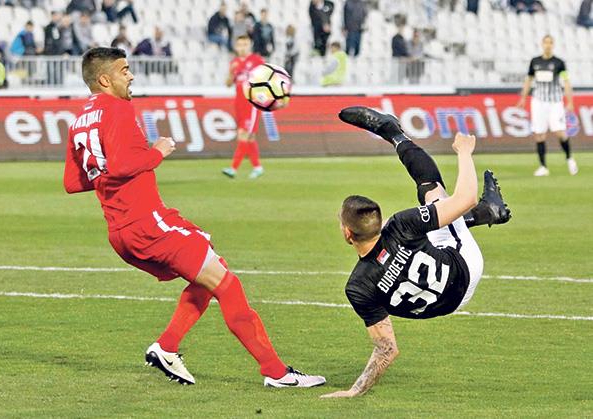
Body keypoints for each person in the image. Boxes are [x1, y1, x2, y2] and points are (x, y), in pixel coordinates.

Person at [63, 47, 325, 388]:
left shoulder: (79, 121)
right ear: (104, 79)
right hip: (147, 223)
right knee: (228, 285)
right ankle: (276, 373)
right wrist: (156, 153)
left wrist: (106, 174)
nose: (131, 75)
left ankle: (167, 347)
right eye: (124, 70)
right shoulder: (118, 109)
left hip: (121, 231)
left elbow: (73, 182)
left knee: (211, 272)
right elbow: (122, 165)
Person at [320, 106, 511, 398]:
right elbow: (466, 197)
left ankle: (485, 213)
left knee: (435, 213)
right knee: (431, 191)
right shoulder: (400, 226)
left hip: (444, 306)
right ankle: (393, 133)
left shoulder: (357, 286)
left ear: (348, 234)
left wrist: (354, 391)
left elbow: (387, 349)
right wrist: (464, 152)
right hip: (465, 266)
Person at [516, 35, 577, 176]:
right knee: (539, 134)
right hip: (538, 102)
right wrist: (523, 98)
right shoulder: (535, 62)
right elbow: (528, 80)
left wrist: (570, 101)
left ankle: (569, 158)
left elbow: (566, 82)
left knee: (559, 131)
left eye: (550, 43)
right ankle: (543, 167)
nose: (548, 45)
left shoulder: (559, 63)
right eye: (546, 42)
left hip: (555, 102)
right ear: (542, 44)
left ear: (553, 45)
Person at [222, 35, 265, 179]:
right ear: (236, 47)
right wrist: (230, 72)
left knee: (243, 134)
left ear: (250, 45)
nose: (242, 48)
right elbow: (228, 84)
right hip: (239, 103)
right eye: (240, 45)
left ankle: (233, 168)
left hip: (252, 103)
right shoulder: (234, 62)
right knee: (250, 137)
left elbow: (266, 80)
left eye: (245, 44)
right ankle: (257, 167)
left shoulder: (257, 61)